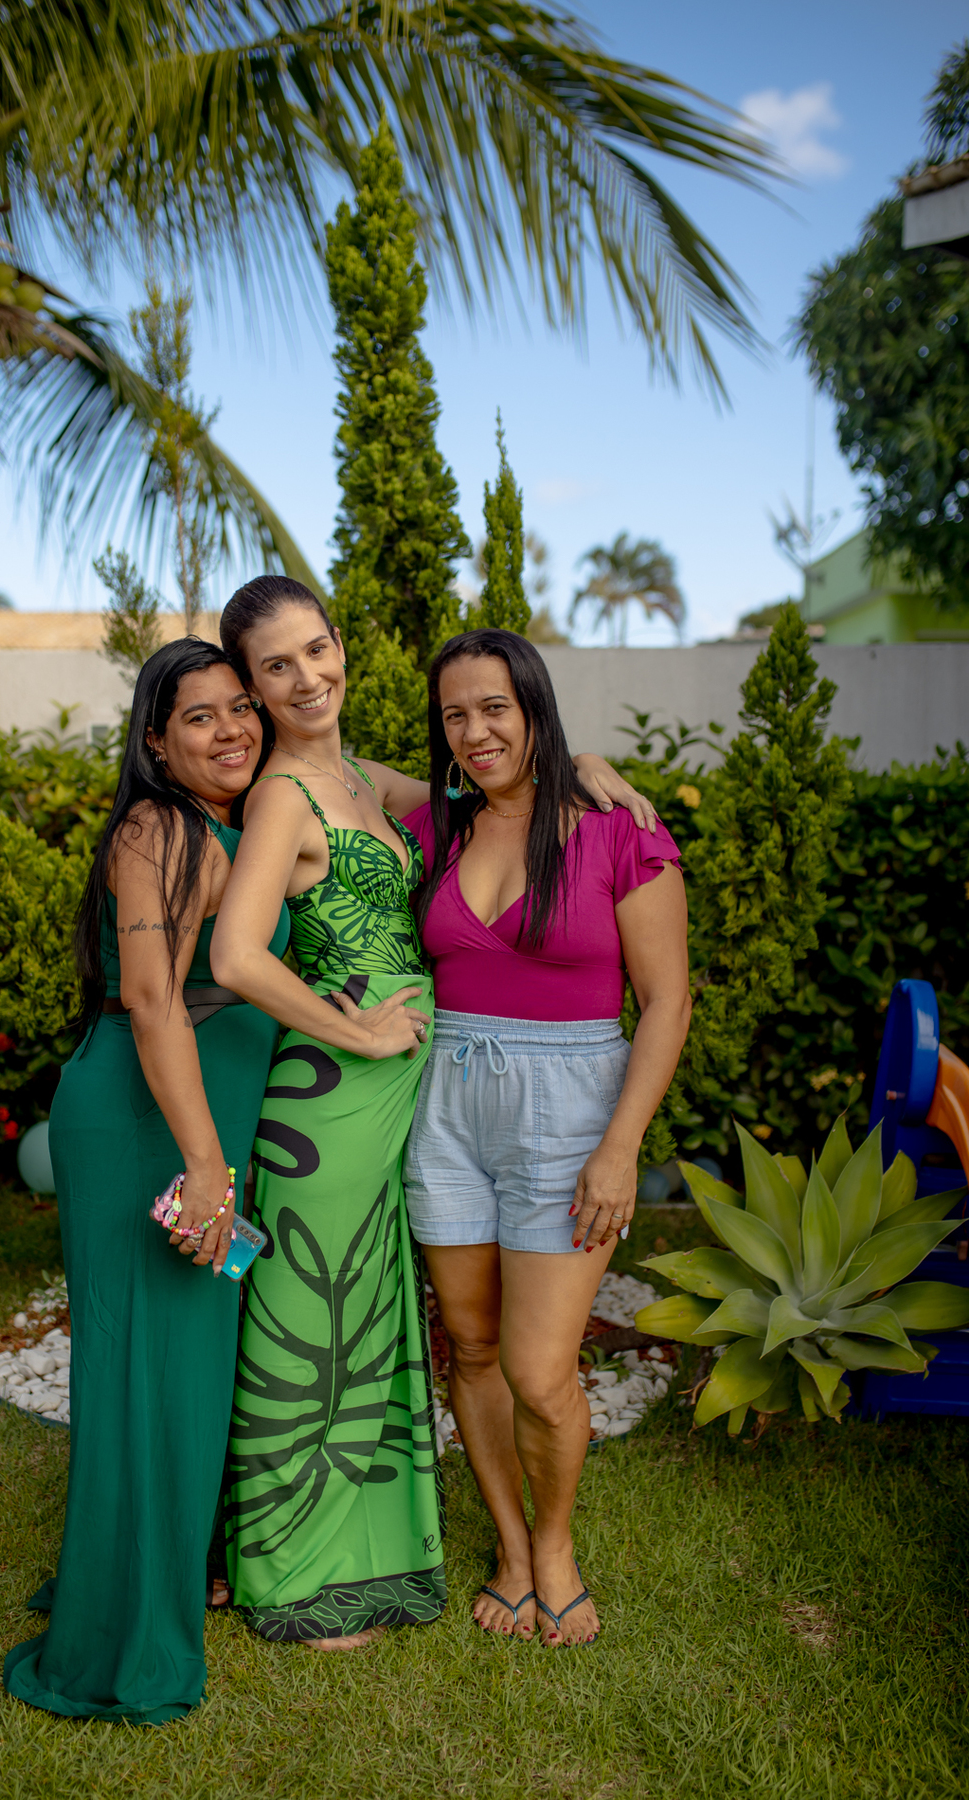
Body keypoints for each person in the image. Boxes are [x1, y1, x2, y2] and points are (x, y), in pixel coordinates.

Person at [210, 579, 660, 1651]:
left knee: (368, 1319)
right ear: (254, 687)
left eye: (316, 649)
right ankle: (296, 1569)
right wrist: (354, 1030)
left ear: (341, 646)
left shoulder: (370, 781)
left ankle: (374, 1549)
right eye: (275, 667)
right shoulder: (283, 796)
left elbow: (502, 771)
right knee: (314, 1321)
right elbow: (234, 956)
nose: (305, 677)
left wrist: (587, 763)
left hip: (425, 1100)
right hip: (341, 1096)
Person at [4, 639, 293, 1723]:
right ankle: (123, 1633)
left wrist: (579, 769)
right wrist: (206, 1164)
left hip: (195, 1122)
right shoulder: (157, 829)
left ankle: (166, 1564)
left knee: (183, 1367)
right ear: (157, 745)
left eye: (240, 707)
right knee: (146, 1369)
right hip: (152, 1125)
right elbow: (152, 996)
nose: (231, 729)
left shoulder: (235, 827)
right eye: (199, 717)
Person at [401, 628, 691, 1649]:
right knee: (473, 1346)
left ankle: (557, 1543)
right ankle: (514, 1549)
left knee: (537, 1370)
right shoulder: (436, 827)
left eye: (495, 708)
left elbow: (666, 1002)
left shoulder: (618, 831)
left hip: (571, 1115)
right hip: (447, 1110)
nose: (474, 732)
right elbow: (324, 764)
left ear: (536, 708)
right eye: (454, 715)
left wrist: (620, 1148)